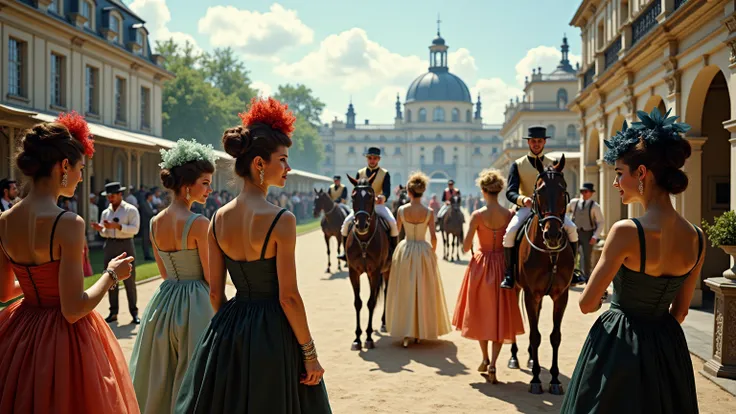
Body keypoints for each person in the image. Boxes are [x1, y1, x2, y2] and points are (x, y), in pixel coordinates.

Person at [175, 97, 332, 413]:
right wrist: (309, 352)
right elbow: (288, 298)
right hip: (274, 330)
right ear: (260, 164)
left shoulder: (217, 218)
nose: (288, 168)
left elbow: (216, 294)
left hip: (231, 327)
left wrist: (229, 335)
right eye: (283, 160)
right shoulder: (282, 220)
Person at [561, 108, 704, 413]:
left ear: (641, 174)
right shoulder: (697, 237)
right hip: (668, 350)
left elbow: (586, 304)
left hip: (619, 346)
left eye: (618, 173)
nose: (615, 183)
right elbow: (679, 311)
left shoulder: (627, 231)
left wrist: (612, 297)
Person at [0, 112, 138, 413]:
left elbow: (3, 293)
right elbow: (74, 309)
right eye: (80, 168)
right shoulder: (68, 223)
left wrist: (37, 287)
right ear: (64, 166)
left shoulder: (4, 221)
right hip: (64, 341)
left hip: (19, 333)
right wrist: (112, 274)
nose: (80, 177)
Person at [128, 139, 217, 414]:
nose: (209, 189)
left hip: (164, 301)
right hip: (198, 301)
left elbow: (164, 272)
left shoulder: (155, 222)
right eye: (205, 182)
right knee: (195, 370)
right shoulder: (199, 223)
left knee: (161, 372)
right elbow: (211, 276)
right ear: (187, 184)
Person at [452, 168, 524, 383]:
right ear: (500, 190)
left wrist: (476, 243)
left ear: (483, 191)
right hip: (503, 266)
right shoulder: (510, 215)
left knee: (481, 313)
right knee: (500, 315)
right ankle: (493, 364)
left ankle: (484, 358)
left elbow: (465, 247)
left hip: (481, 267)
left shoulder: (477, 215)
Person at [500, 125, 582, 289]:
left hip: (549, 209)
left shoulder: (554, 164)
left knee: (572, 229)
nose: (536, 144)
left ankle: (573, 271)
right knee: (510, 233)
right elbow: (510, 192)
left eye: (539, 141)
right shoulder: (518, 164)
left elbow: (559, 188)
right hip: (527, 207)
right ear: (529, 142)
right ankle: (509, 274)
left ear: (544, 142)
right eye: (533, 141)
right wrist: (524, 200)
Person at [385, 172, 451, 348]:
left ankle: (406, 332)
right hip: (423, 249)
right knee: (422, 290)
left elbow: (396, 233)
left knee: (405, 290)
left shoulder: (401, 210)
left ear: (409, 191)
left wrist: (395, 251)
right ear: (422, 192)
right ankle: (420, 331)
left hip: (405, 250)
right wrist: (432, 252)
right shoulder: (429, 212)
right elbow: (434, 237)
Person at [337, 147, 399, 261]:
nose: (372, 160)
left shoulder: (385, 173)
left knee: (392, 223)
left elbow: (387, 191)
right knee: (346, 224)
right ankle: (345, 253)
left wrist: (382, 197)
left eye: (375, 158)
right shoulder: (360, 173)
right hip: (362, 207)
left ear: (378, 159)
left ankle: (394, 253)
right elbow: (355, 190)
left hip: (378, 205)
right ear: (367, 159)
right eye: (370, 158)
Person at [92, 181, 141, 324]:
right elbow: (105, 233)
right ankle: (113, 312)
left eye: (112, 195)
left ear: (120, 194)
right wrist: (100, 229)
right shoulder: (106, 212)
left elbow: (135, 229)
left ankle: (134, 312)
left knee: (130, 281)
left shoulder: (130, 210)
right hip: (110, 244)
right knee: (110, 279)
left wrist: (118, 226)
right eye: (108, 196)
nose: (110, 198)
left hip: (126, 244)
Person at [566, 182, 604, 281]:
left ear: (591, 193)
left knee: (586, 258)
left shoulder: (595, 206)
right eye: (582, 191)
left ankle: (587, 279)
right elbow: (564, 212)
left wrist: (595, 236)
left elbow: (601, 222)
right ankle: (571, 277)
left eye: (586, 191)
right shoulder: (574, 202)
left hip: (588, 233)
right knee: (571, 255)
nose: (583, 193)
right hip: (574, 232)